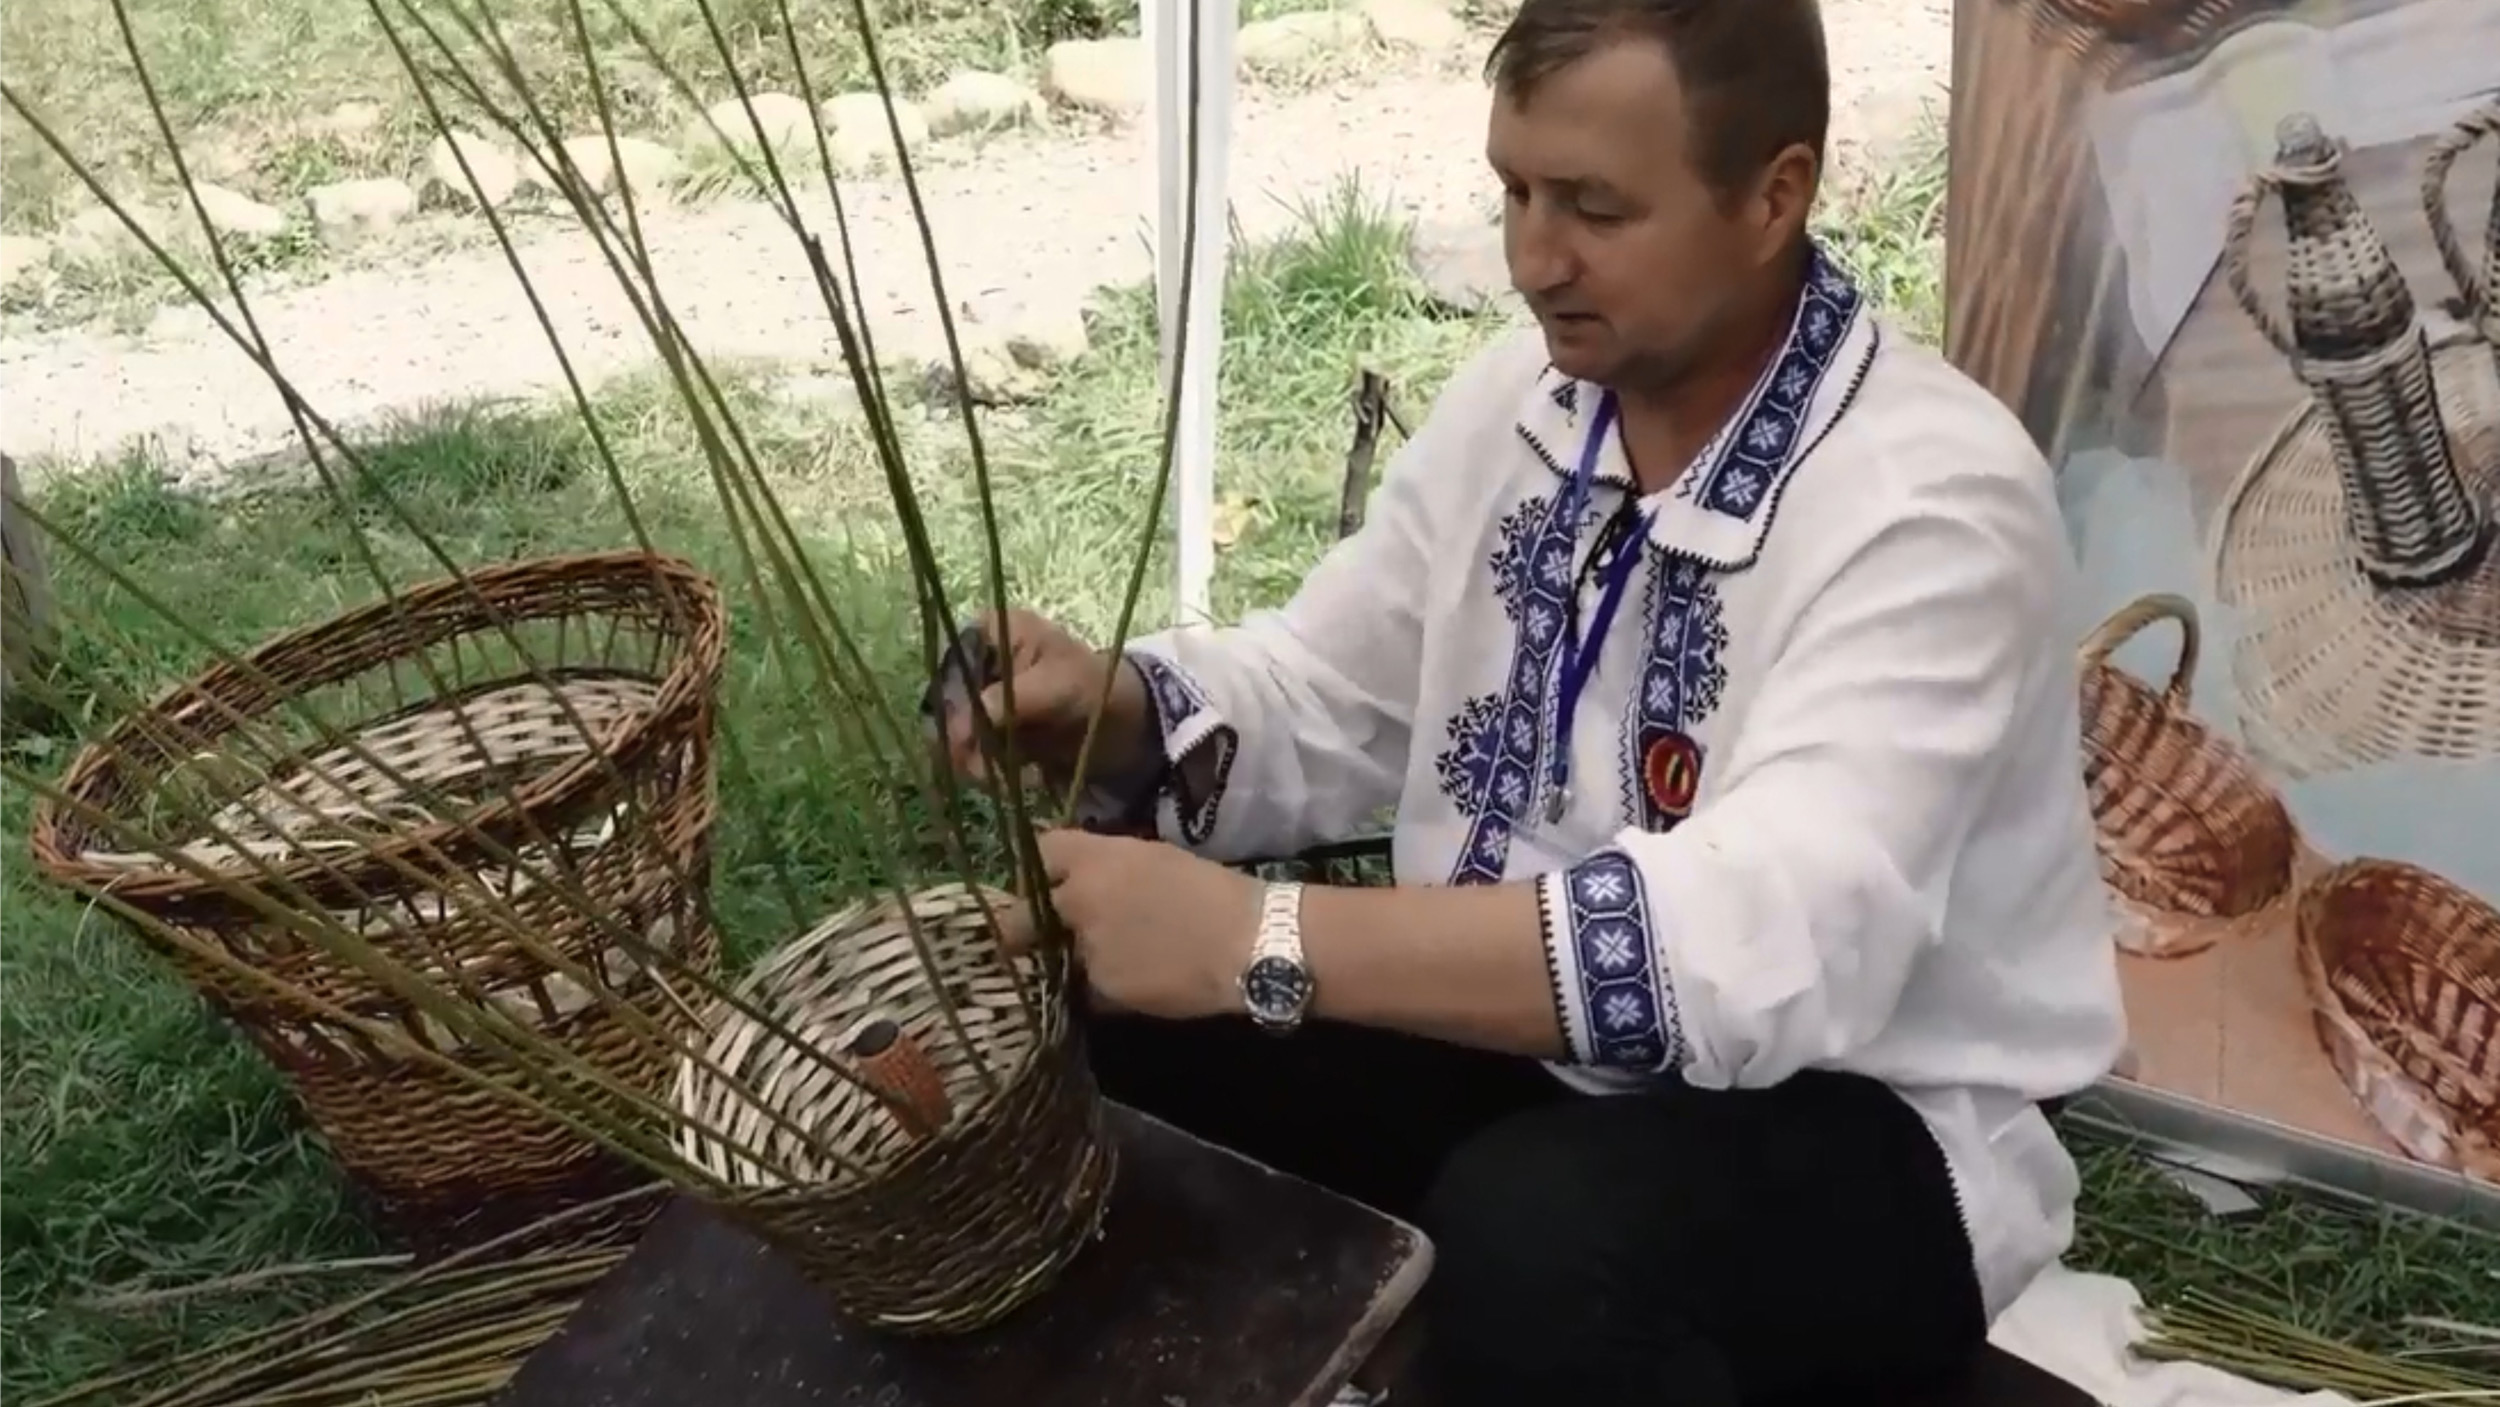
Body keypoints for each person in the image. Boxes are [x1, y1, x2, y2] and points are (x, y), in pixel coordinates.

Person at [944, 0, 2127, 1401]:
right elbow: (1338, 682)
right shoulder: (1538, 399)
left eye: (1594, 207)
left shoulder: (1930, 501)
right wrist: (1120, 707)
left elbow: (1759, 949)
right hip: (1520, 1051)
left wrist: (1260, 936)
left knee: (1544, 1237)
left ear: (1776, 197)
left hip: (1864, 1117)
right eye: (1514, 189)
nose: (1531, 257)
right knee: (1121, 1024)